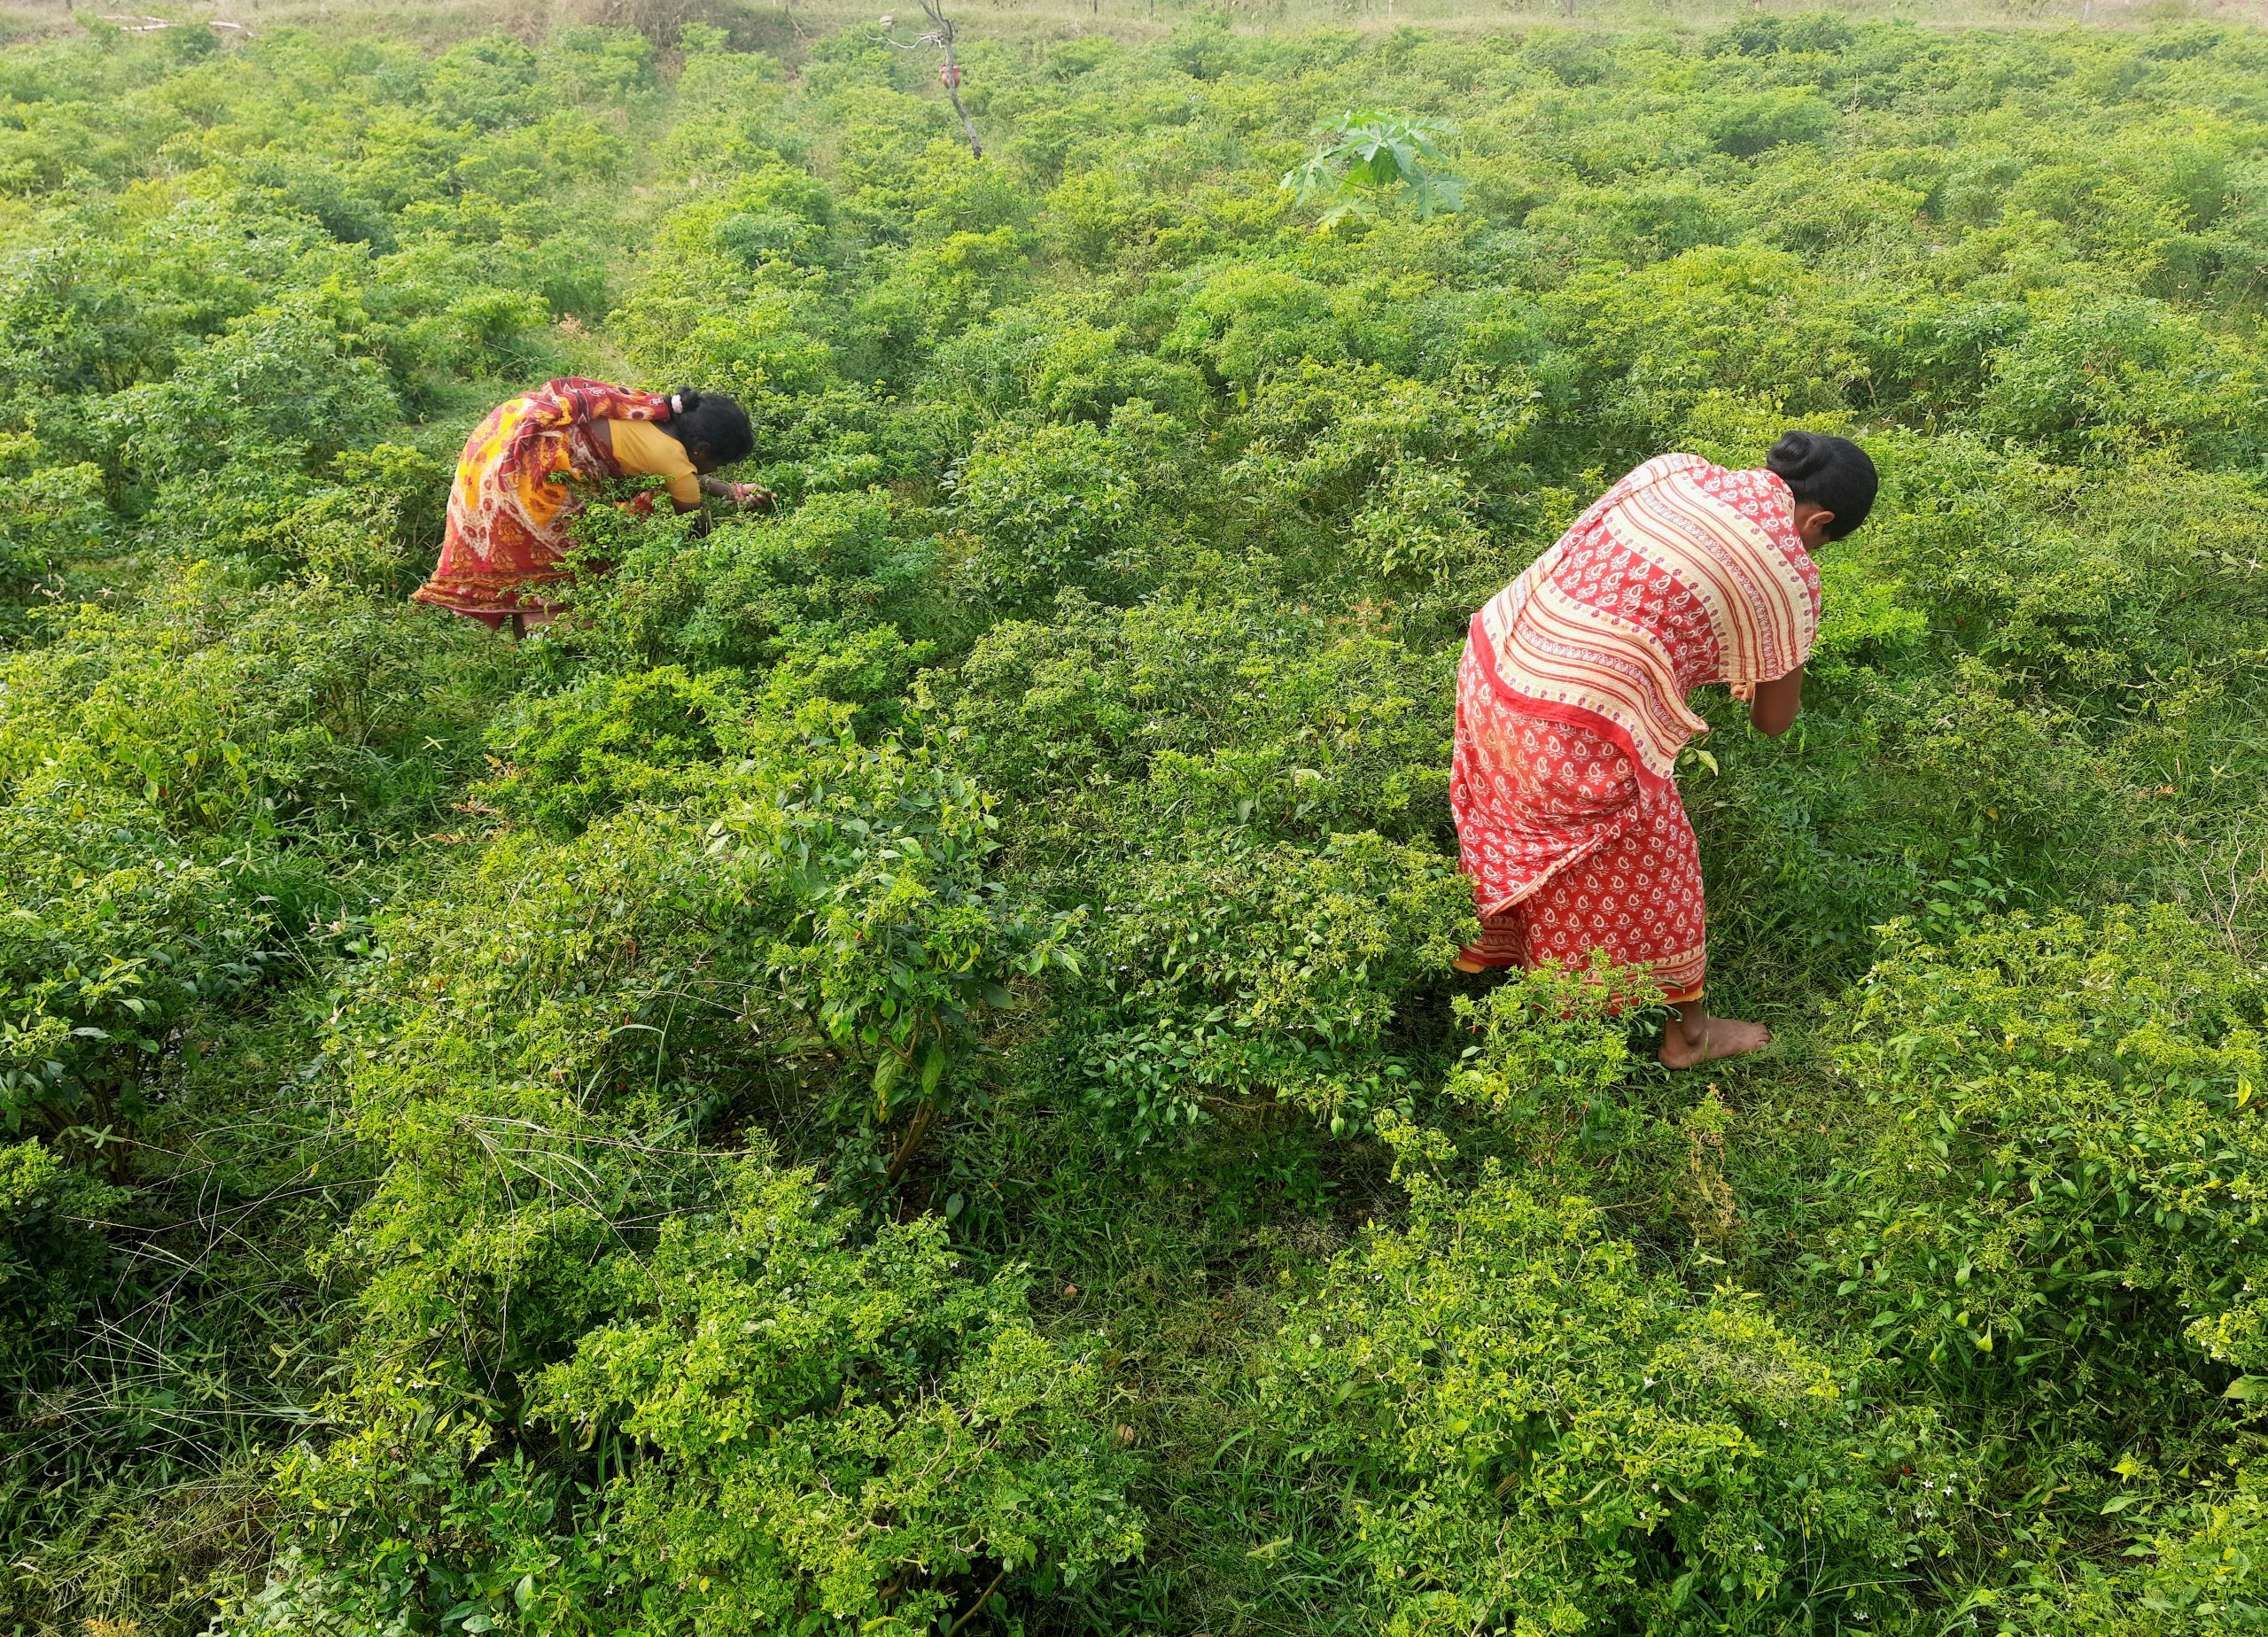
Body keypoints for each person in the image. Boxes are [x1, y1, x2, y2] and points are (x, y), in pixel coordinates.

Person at [1449, 431, 1878, 1067]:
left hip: (1498, 665)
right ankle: (1688, 1036)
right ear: (1820, 521)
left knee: (1531, 833)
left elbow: (1634, 590)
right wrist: (1777, 637)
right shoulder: (1789, 572)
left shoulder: (1673, 471)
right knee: (1659, 866)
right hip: (1574, 728)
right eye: (1821, 541)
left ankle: (1512, 961)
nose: (1812, 550)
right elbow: (1772, 720)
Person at [411, 378, 770, 635]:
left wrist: (730, 491)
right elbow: (695, 525)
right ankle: (548, 653)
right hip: (528, 474)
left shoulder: (650, 410)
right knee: (565, 568)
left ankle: (537, 644)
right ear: (702, 450)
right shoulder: (675, 461)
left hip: (502, 437)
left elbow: (674, 472)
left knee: (561, 558)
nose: (714, 473)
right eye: (718, 465)